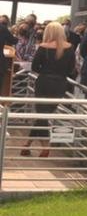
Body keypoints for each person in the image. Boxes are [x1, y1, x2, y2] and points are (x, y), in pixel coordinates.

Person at [21, 22, 76, 158]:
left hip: (44, 82)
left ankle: (43, 146)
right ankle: (28, 146)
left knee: (41, 115)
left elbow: (34, 67)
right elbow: (71, 70)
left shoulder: (43, 47)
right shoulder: (70, 48)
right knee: (44, 115)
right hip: (60, 84)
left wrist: (45, 71)